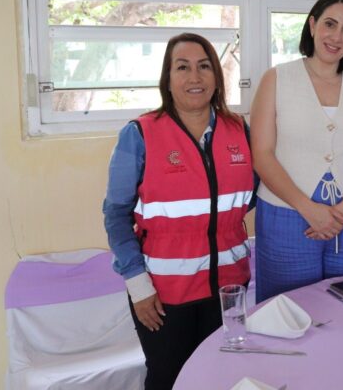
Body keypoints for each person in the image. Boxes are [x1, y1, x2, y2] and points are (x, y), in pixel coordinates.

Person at [103, 33, 255, 389]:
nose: (194, 77)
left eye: (204, 66)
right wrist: (138, 286)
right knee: (170, 380)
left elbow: (256, 192)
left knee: (222, 377)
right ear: (167, 80)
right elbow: (115, 215)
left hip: (228, 289)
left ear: (216, 76)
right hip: (164, 296)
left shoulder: (238, 130)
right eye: (182, 67)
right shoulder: (139, 134)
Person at [251, 0, 343, 302]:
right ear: (312, 25)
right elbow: (262, 154)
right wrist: (308, 208)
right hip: (288, 214)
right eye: (330, 24)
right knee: (288, 309)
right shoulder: (277, 79)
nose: (336, 36)